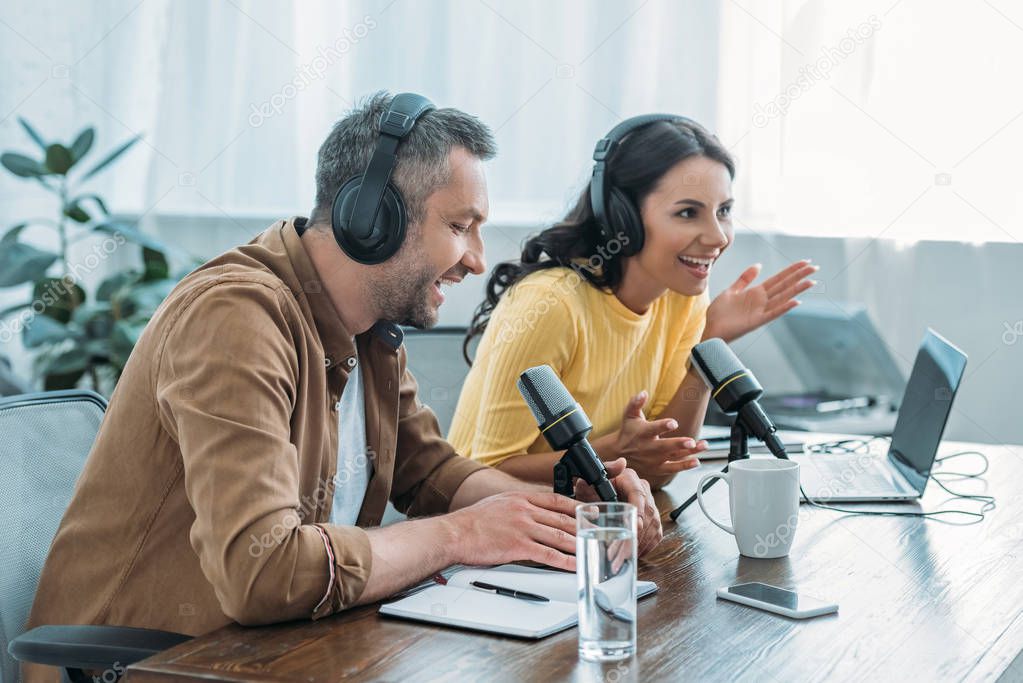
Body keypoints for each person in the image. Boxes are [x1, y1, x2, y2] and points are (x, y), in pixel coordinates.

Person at [24, 93, 661, 682]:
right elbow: (262, 571)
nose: (475, 258)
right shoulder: (234, 318)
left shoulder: (369, 329)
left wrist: (568, 522)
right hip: (153, 662)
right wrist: (465, 533)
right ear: (371, 217)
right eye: (460, 225)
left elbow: (431, 474)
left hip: (276, 652)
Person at [449, 114, 816, 491]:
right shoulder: (551, 304)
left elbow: (663, 467)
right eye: (688, 213)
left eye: (723, 211)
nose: (718, 237)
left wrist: (709, 347)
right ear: (623, 217)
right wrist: (614, 450)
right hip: (490, 531)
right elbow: (479, 471)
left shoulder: (682, 299)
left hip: (593, 522)